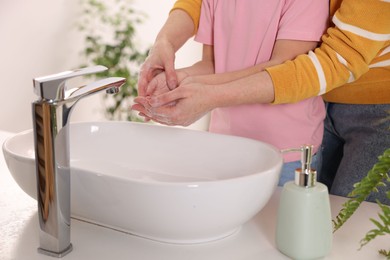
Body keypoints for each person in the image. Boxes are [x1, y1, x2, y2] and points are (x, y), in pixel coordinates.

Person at [134, 0, 390, 205]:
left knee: (352, 221)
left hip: (362, 115)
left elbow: (306, 64)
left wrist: (205, 93)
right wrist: (175, 80)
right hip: (244, 138)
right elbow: (212, 63)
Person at [134, 0, 329, 186]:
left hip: (287, 153)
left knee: (279, 221)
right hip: (226, 146)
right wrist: (172, 83)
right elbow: (212, 65)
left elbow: (283, 70)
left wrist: (193, 88)